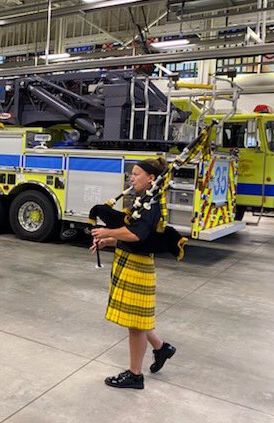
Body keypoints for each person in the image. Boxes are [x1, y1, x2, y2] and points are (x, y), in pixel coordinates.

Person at [91, 157, 177, 390]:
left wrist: (108, 231)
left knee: (136, 324)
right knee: (136, 318)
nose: (131, 178)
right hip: (129, 260)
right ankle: (161, 348)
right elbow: (135, 237)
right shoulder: (143, 200)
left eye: (136, 174)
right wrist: (108, 241)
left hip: (138, 266)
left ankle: (135, 375)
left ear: (151, 178)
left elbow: (137, 234)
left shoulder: (153, 204)